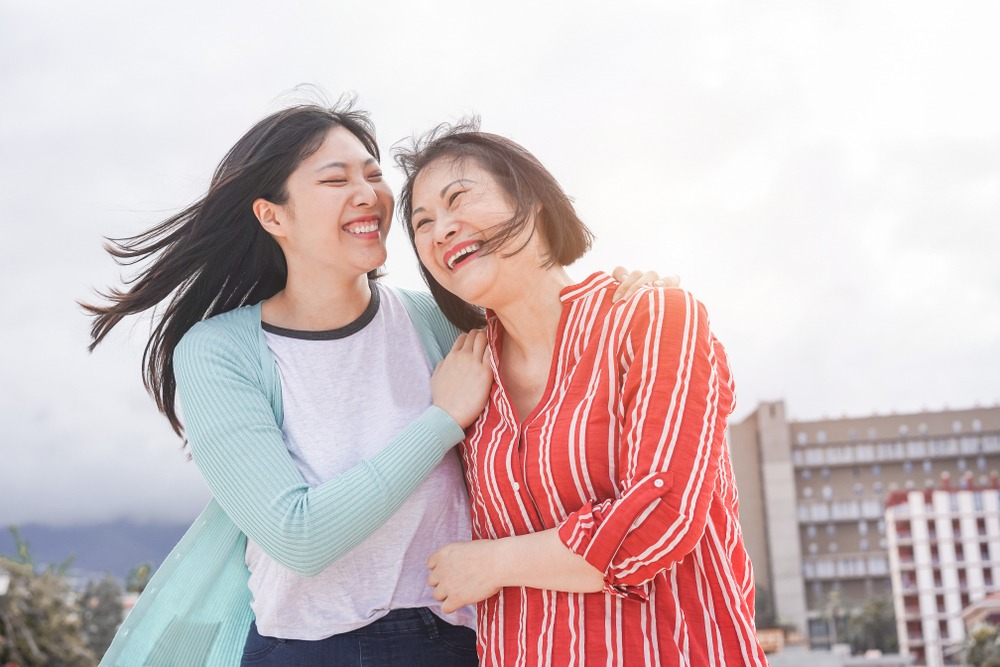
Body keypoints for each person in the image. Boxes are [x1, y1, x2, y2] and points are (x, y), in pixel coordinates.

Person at [84, 100, 663, 667]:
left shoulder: (439, 321)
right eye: (335, 178)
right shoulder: (221, 352)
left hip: (462, 638)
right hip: (309, 650)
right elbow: (298, 537)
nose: (369, 193)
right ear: (273, 216)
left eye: (374, 174)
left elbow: (560, 375)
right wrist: (440, 422)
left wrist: (623, 300)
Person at [395, 123, 769, 666]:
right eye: (422, 224)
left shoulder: (653, 316)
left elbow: (657, 520)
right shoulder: (465, 377)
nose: (440, 230)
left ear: (533, 202)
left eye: (458, 199)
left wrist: (492, 564)